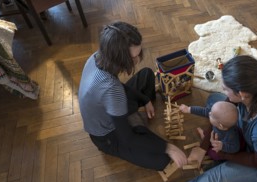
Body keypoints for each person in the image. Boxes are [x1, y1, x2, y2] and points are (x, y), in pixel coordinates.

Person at [110, 55, 257, 182]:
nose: (224, 91)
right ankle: (221, 158)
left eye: (227, 89)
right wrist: (202, 146)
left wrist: (225, 156)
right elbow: (218, 112)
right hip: (248, 138)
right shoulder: (255, 90)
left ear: (242, 94)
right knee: (215, 101)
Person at [78, 21, 187, 171]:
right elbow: (127, 138)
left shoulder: (97, 57)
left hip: (111, 105)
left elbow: (119, 87)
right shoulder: (111, 89)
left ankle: (137, 117)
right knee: (162, 160)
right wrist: (169, 147)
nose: (137, 60)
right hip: (107, 137)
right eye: (133, 57)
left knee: (147, 75)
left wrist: (145, 99)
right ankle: (136, 122)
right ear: (119, 57)